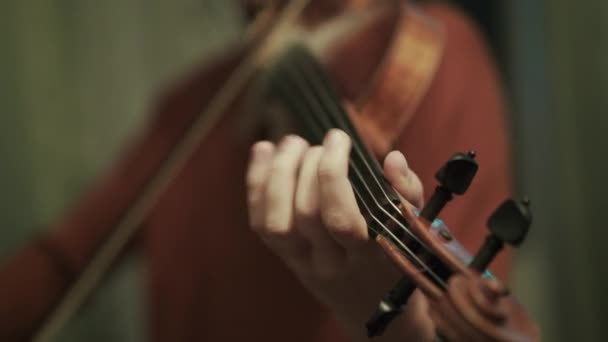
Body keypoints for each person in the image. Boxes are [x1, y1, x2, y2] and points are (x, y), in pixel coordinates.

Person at [0, 0, 520, 341]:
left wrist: (396, 326)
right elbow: (61, 262)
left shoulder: (434, 55)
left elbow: (459, 306)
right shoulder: (192, 105)